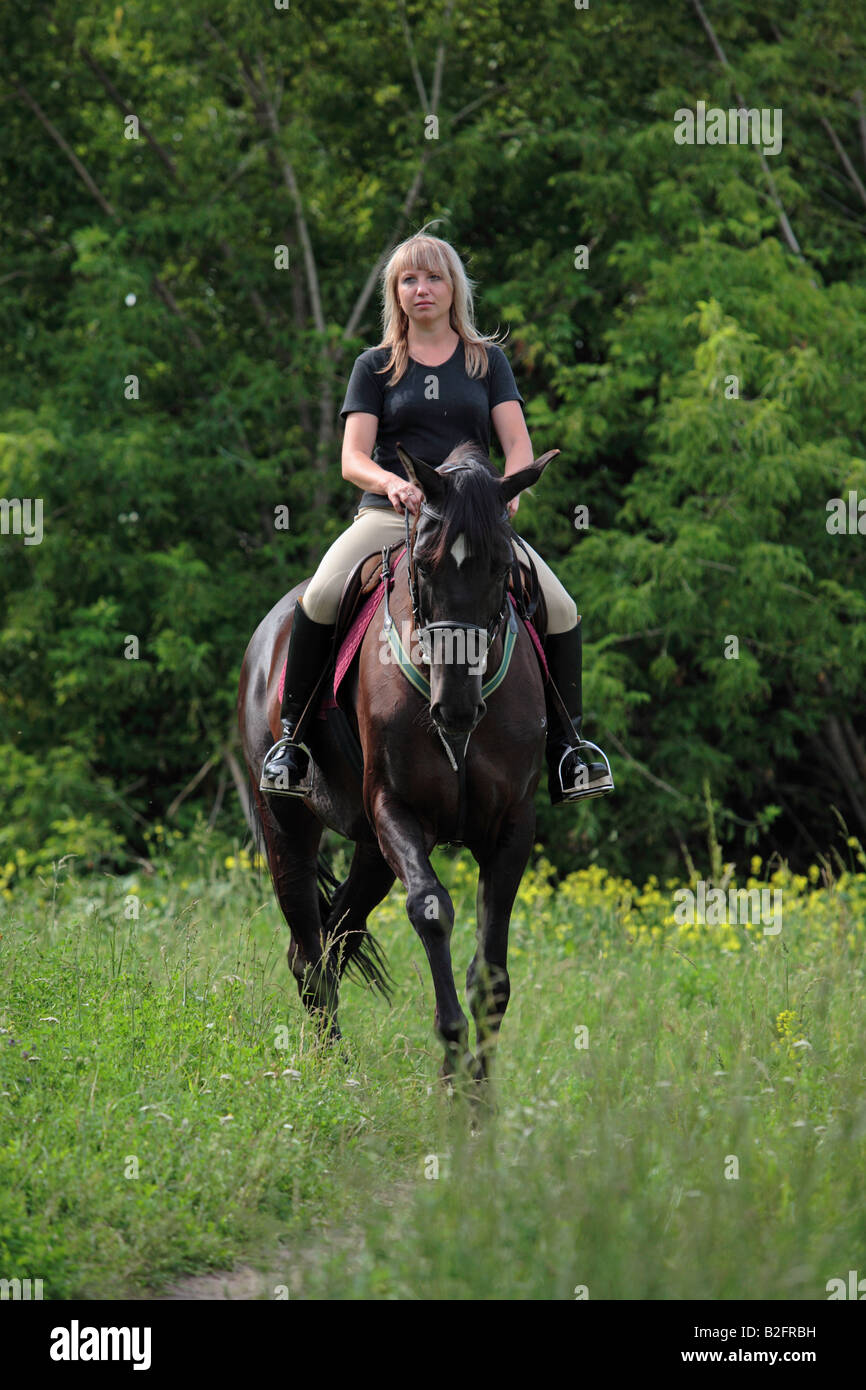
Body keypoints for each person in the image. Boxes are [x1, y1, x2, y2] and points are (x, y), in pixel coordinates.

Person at [260, 227, 613, 804]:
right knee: (320, 595)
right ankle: (292, 742)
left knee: (563, 606)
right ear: (395, 293)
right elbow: (352, 459)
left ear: (454, 289)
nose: (422, 289)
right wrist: (394, 484)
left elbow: (518, 445)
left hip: (473, 522)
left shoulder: (486, 361)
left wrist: (508, 491)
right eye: (409, 279)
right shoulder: (373, 366)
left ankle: (570, 749)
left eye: (434, 278)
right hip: (392, 515)